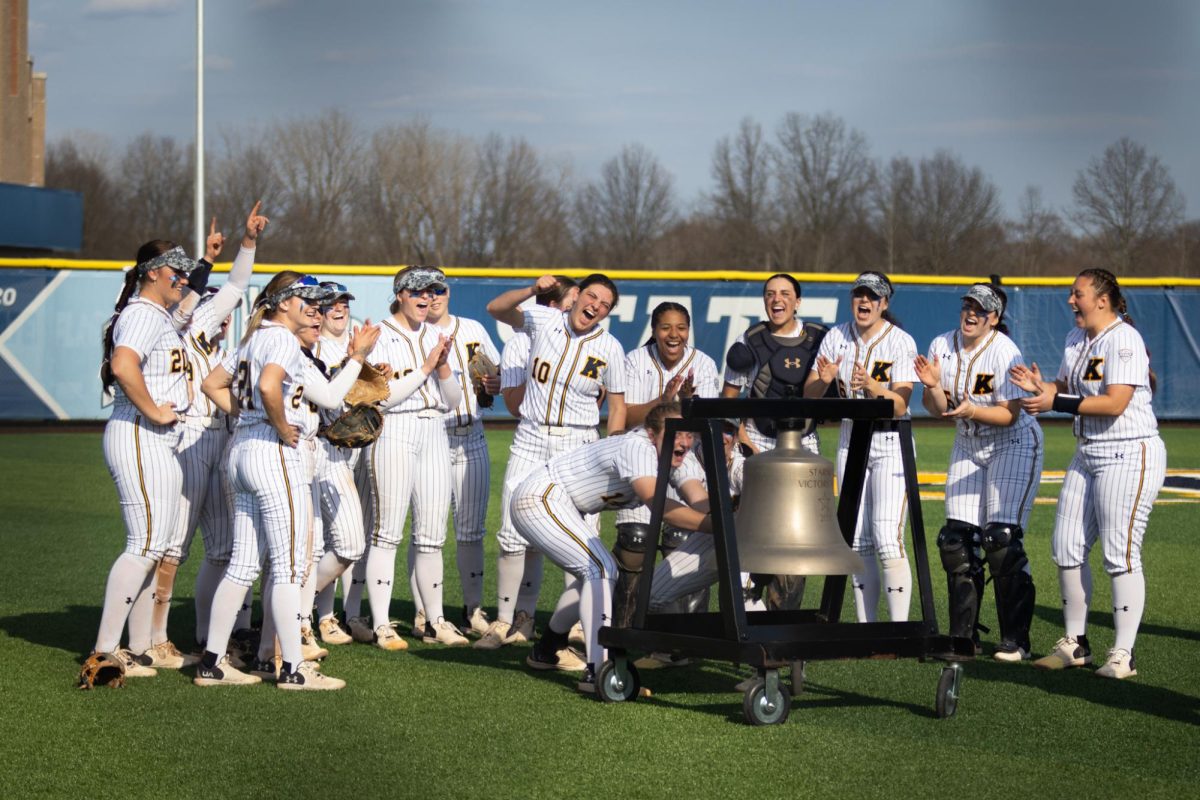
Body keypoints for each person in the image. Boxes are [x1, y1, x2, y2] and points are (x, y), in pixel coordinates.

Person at [194, 272, 365, 690]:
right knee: (290, 568)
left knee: (243, 565)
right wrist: (277, 421)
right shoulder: (284, 339)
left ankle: (212, 662)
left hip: (242, 452)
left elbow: (211, 383)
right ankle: (293, 669)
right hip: (273, 454)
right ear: (283, 301)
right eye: (305, 299)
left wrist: (250, 417)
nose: (314, 307)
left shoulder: (254, 338)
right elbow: (273, 386)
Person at [1011, 268, 1166, 679]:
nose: (1070, 300)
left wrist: (1055, 402)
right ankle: (1075, 644)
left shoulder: (1124, 338)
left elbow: (1115, 403)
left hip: (1129, 452)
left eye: (1076, 293)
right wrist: (1041, 385)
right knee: (1065, 547)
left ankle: (1123, 654)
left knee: (1120, 553)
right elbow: (1066, 386)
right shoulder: (1076, 338)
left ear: (1102, 299)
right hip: (1089, 452)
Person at [511, 401, 710, 693]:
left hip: (562, 503)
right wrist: (710, 525)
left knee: (593, 574)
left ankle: (548, 649)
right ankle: (601, 672)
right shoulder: (637, 445)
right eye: (674, 433)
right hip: (540, 497)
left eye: (687, 434)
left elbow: (700, 501)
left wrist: (723, 517)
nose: (683, 440)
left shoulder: (680, 453)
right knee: (600, 567)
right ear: (651, 433)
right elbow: (658, 504)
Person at [477, 273, 627, 650]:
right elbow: (496, 308)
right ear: (575, 296)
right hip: (531, 435)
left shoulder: (610, 347)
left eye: (604, 304)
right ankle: (506, 621)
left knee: (580, 537)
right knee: (511, 533)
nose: (594, 306)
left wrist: (612, 452)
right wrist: (532, 290)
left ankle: (577, 627)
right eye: (591, 296)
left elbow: (619, 405)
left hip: (579, 443)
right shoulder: (544, 320)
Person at [148, 205, 267, 668]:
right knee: (171, 546)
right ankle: (154, 636)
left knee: (224, 547)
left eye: (222, 312)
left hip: (224, 443)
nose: (220, 314)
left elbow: (237, 286)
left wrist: (249, 243)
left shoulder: (232, 350)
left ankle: (208, 637)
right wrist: (207, 262)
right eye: (208, 305)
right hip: (187, 440)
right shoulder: (183, 328)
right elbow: (219, 289)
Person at [84, 243, 197, 685]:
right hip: (138, 431)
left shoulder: (160, 315)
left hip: (158, 440)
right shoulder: (143, 313)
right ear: (152, 272)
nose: (182, 279)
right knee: (146, 544)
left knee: (161, 544)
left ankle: (141, 645)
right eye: (176, 271)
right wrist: (152, 410)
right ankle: (105, 651)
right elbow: (123, 364)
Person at [914, 282, 1042, 661]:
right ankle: (963, 638)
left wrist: (970, 410)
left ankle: (1016, 639)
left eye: (981, 309)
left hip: (1012, 442)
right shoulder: (941, 344)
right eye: (968, 305)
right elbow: (935, 407)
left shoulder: (1004, 351)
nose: (972, 313)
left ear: (994, 319)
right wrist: (935, 387)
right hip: (968, 442)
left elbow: (1008, 413)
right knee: (955, 542)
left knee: (999, 540)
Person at [355, 266, 465, 649]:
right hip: (394, 431)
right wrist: (426, 367)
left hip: (435, 429)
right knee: (387, 533)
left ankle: (435, 620)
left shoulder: (436, 335)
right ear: (400, 294)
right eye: (417, 291)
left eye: (433, 290)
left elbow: (453, 401)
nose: (426, 298)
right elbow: (384, 397)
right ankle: (383, 623)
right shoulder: (380, 335)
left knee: (433, 535)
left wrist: (444, 364)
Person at [804, 272, 918, 623]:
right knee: (856, 538)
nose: (864, 301)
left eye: (872, 296)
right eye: (859, 294)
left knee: (887, 535)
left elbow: (900, 405)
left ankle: (899, 627)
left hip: (889, 438)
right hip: (851, 438)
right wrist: (822, 383)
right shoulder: (836, 336)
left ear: (885, 303)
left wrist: (872, 386)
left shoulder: (900, 341)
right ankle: (866, 625)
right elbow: (809, 396)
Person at [612, 301, 720, 627]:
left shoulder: (702, 363)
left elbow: (709, 423)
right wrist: (663, 401)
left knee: (682, 540)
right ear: (654, 331)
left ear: (689, 331)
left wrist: (688, 406)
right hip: (644, 452)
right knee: (635, 542)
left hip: (686, 456)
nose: (674, 335)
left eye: (681, 328)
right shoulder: (635, 360)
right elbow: (627, 414)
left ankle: (687, 634)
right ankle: (627, 631)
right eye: (665, 327)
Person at [425, 275, 502, 637]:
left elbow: (495, 374)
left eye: (439, 289)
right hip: (432, 439)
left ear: (448, 292)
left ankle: (473, 611)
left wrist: (494, 384)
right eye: (425, 291)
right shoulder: (414, 333)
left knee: (472, 531)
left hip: (472, 435)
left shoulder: (472, 329)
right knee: (430, 533)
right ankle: (428, 613)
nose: (433, 297)